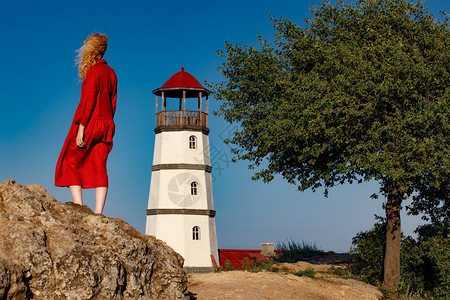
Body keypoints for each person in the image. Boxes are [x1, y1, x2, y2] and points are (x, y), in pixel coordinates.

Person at [55, 33, 117, 214]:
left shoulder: (93, 72)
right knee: (100, 165)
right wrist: (109, 125)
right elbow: (113, 103)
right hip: (107, 123)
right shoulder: (111, 73)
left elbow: (88, 101)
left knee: (69, 161)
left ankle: (79, 206)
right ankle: (98, 213)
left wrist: (81, 128)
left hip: (90, 122)